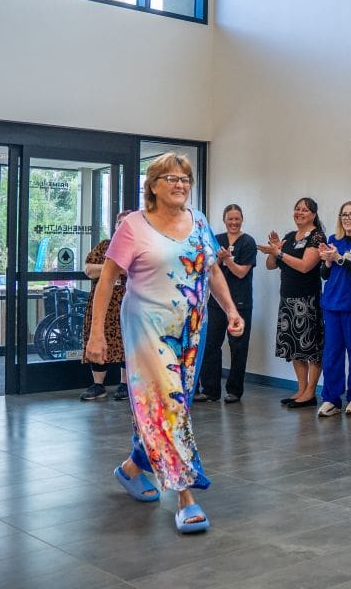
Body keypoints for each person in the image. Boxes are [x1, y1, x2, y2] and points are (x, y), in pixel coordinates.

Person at [85, 153, 244, 534]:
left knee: (170, 405)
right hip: (146, 328)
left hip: (192, 328)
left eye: (185, 179)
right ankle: (185, 497)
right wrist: (96, 333)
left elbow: (212, 269)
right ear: (153, 185)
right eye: (170, 178)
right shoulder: (134, 227)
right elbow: (107, 279)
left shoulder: (200, 221)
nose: (180, 184)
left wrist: (231, 308)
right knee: (170, 407)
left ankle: (131, 469)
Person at [259, 198, 325, 409]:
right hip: (288, 299)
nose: (299, 212)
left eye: (304, 210)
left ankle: (310, 392)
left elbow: (306, 266)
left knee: (310, 347)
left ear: (313, 214)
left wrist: (280, 253)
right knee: (294, 347)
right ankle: (301, 389)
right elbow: (270, 265)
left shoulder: (317, 236)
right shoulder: (289, 236)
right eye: (297, 209)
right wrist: (274, 250)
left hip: (307, 300)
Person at [317, 200, 351, 417]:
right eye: (344, 215)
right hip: (331, 303)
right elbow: (324, 274)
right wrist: (328, 262)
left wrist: (338, 259)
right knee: (331, 354)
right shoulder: (333, 240)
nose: (348, 219)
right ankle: (331, 398)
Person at [197, 204, 256, 403]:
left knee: (238, 346)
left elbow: (241, 272)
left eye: (237, 219)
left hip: (240, 302)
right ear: (224, 220)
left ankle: (234, 391)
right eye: (230, 218)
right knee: (211, 344)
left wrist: (227, 260)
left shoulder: (248, 242)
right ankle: (210, 389)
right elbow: (209, 269)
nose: (233, 222)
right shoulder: (217, 240)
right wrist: (219, 261)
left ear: (242, 220)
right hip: (216, 302)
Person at [80, 210, 132, 402]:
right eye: (120, 223)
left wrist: (112, 269)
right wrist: (112, 268)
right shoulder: (104, 246)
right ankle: (98, 385)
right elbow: (89, 269)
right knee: (99, 340)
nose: (123, 227)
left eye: (128, 223)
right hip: (103, 305)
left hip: (129, 303)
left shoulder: (138, 248)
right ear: (116, 226)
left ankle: (125, 384)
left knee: (127, 342)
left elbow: (134, 272)